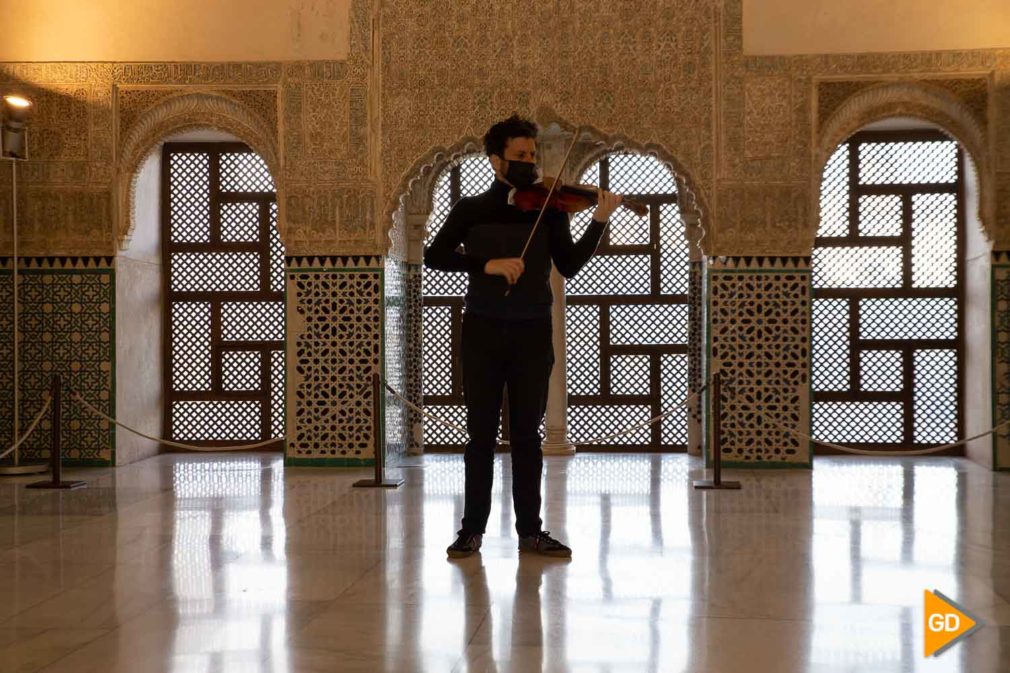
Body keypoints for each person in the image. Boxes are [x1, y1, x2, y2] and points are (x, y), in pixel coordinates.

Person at [423, 114, 621, 558]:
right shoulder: (471, 210)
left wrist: (599, 222)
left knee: (528, 437)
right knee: (479, 436)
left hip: (533, 331)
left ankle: (531, 532)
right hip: (482, 331)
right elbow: (434, 255)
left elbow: (568, 265)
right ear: (497, 161)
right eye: (520, 156)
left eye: (533, 155)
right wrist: (485, 264)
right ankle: (471, 530)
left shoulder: (549, 211)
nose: (529, 164)